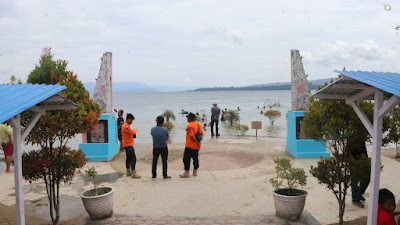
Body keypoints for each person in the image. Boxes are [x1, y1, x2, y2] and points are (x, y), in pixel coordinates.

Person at [179, 112, 204, 178]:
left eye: (187, 118)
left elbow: (192, 136)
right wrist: (199, 142)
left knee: (186, 159)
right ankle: (195, 172)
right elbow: (202, 134)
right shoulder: (198, 125)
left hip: (190, 145)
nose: (187, 119)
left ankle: (187, 172)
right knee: (195, 158)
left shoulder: (190, 126)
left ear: (190, 118)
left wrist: (196, 141)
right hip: (197, 146)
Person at [348, 137, 370, 208]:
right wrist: (353, 162)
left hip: (363, 160)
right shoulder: (351, 137)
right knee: (354, 180)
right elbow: (348, 152)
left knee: (367, 179)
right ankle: (355, 199)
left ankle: (359, 194)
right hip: (354, 161)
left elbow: (363, 149)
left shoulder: (361, 136)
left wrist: (366, 160)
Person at [122, 113, 141, 179]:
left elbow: (131, 133)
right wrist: (135, 130)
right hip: (128, 144)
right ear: (129, 119)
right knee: (133, 158)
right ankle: (133, 172)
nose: (132, 122)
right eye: (131, 120)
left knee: (128, 158)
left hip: (126, 144)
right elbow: (132, 132)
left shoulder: (126, 126)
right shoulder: (126, 126)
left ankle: (128, 171)